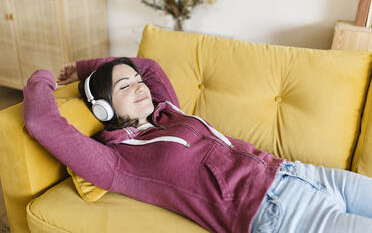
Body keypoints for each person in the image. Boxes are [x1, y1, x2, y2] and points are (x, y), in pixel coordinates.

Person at [23, 57, 372, 233]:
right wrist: (43, 76)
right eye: (125, 87)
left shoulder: (166, 111)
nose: (140, 86)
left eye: (138, 82)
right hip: (282, 216)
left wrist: (88, 66)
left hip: (305, 175)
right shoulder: (117, 162)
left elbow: (149, 66)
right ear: (103, 107)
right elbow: (42, 123)